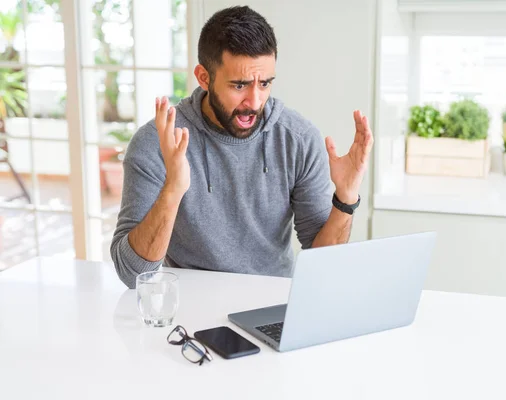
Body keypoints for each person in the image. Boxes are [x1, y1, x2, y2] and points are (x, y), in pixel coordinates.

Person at [110, 6, 374, 289]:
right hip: (193, 306)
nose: (255, 101)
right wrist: (173, 190)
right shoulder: (157, 142)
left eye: (265, 83)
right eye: (239, 85)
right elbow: (133, 274)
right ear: (204, 77)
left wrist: (345, 198)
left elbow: (322, 259)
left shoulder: (297, 138)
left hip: (272, 303)